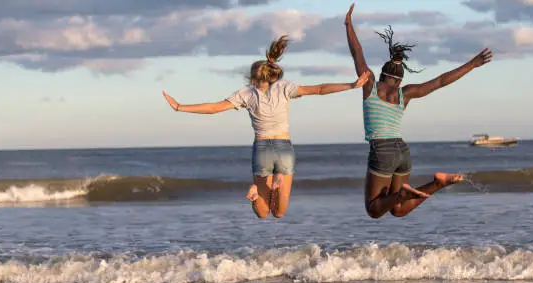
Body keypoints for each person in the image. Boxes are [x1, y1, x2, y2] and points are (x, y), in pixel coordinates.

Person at [163, 35, 370, 219]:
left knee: (262, 213)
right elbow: (319, 89)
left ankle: (255, 194)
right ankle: (278, 180)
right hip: (284, 147)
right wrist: (351, 85)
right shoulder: (285, 87)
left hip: (261, 149)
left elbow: (214, 108)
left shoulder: (246, 93)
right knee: (279, 213)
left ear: (253, 79)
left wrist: (180, 107)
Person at [344, 3, 493, 218]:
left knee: (374, 210)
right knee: (398, 210)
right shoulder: (406, 93)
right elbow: (441, 81)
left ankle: (403, 194)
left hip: (383, 149)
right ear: (400, 79)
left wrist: (348, 24)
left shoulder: (370, 86)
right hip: (402, 150)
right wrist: (472, 64)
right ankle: (438, 183)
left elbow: (357, 51)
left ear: (382, 73)